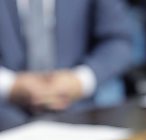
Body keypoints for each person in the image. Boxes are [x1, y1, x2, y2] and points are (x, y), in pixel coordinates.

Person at [0, 0, 134, 131]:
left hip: (80, 112)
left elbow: (118, 40)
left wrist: (80, 80)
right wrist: (10, 85)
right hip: (6, 113)